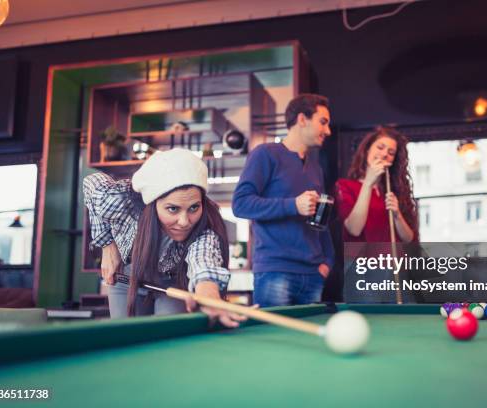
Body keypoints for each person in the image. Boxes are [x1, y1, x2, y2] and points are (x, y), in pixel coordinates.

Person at [83, 148, 245, 327]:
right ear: (152, 204)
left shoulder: (204, 228)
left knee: (170, 334)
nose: (184, 222)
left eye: (193, 208)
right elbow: (91, 182)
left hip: (173, 283)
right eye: (173, 209)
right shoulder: (121, 202)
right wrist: (107, 245)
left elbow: (204, 260)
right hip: (127, 280)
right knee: (127, 339)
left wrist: (208, 294)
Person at [232, 93, 335, 307]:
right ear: (302, 119)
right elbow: (240, 204)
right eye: (323, 122)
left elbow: (320, 221)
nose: (328, 131)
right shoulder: (265, 154)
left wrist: (328, 261)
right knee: (272, 339)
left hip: (313, 274)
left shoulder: (316, 168)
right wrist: (293, 205)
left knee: (308, 341)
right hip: (274, 272)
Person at [336, 126, 418, 243]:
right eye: (380, 147)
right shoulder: (345, 186)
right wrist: (368, 183)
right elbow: (354, 229)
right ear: (367, 150)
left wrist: (397, 215)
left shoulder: (395, 190)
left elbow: (409, 239)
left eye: (391, 153)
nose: (385, 154)